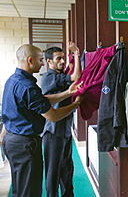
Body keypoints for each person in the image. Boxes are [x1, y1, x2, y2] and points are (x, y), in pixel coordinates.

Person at [1, 44, 83, 197]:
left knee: (21, 188)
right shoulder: (30, 85)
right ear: (30, 60)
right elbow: (53, 116)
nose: (42, 63)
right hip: (25, 143)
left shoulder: (13, 80)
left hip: (13, 141)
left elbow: (41, 100)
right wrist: (76, 104)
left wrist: (67, 93)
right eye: (40, 60)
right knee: (30, 190)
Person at [41, 43, 81, 197]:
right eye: (58, 58)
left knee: (66, 167)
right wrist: (76, 55)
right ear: (49, 61)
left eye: (63, 58)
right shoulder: (49, 77)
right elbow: (76, 77)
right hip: (53, 131)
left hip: (64, 130)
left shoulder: (59, 76)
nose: (62, 61)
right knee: (53, 170)